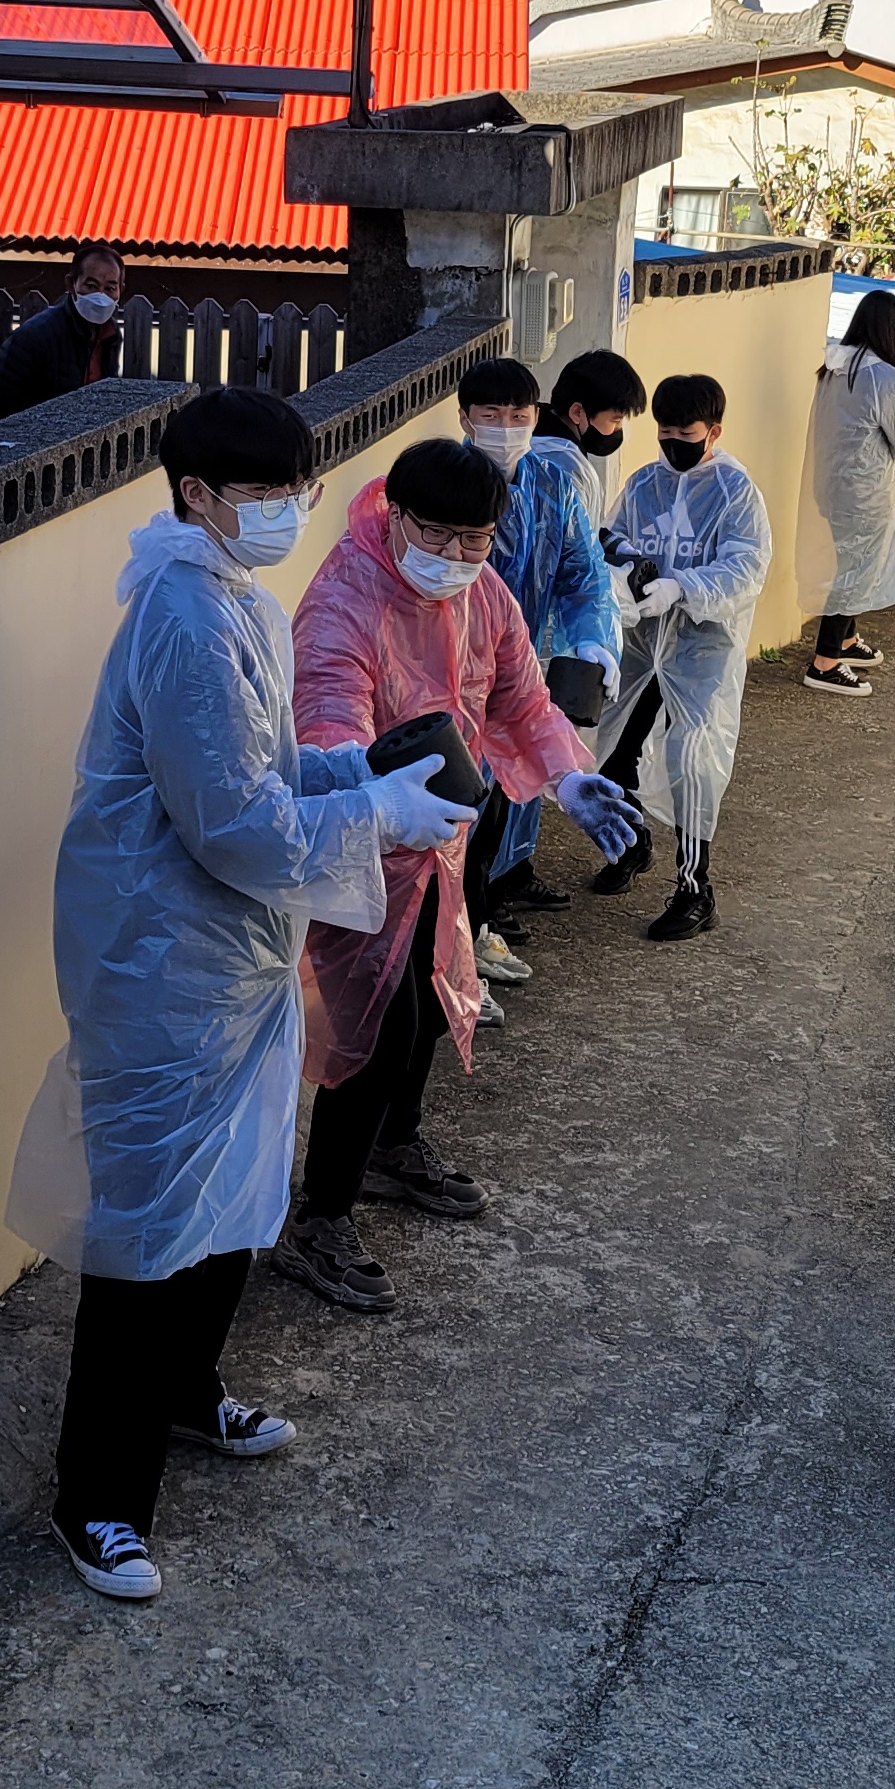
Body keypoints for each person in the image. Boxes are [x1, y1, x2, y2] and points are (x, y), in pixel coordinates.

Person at [3, 386, 478, 1605]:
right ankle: (96, 1497)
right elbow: (231, 824)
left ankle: (185, 1387)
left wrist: (356, 765)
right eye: (263, 494)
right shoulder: (182, 616)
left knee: (236, 1188)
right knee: (149, 1229)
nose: (286, 510)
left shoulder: (238, 599)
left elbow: (265, 766)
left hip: (231, 958)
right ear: (196, 495)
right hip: (161, 965)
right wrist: (373, 812)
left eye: (298, 491)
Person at [276, 439, 639, 1312]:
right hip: (364, 844)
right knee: (376, 1025)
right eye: (436, 534)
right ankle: (319, 1218)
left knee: (439, 997)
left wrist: (568, 777)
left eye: (475, 539)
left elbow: (520, 699)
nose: (454, 556)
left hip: (445, 838)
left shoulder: (484, 594)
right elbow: (326, 724)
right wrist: (376, 798)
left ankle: (393, 1147)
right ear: (395, 514)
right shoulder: (346, 598)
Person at [591, 373, 774, 939]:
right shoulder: (644, 483)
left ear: (713, 431)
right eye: (664, 432)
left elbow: (746, 566)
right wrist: (628, 564)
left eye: (685, 434)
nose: (673, 444)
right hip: (642, 643)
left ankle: (696, 888)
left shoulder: (734, 491)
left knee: (693, 760)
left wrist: (683, 587)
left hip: (701, 647)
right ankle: (630, 842)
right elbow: (611, 537)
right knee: (613, 747)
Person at [467, 350, 639, 931]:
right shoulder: (446, 484)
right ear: (465, 418)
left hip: (522, 672)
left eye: (518, 416)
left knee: (507, 797)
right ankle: (463, 933)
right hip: (451, 674)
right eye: (491, 415)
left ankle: (485, 915)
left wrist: (594, 639)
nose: (506, 428)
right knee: (457, 813)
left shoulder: (552, 486)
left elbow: (583, 573)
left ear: (536, 417)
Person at [803, 288, 895, 698]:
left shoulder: (834, 368)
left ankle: (846, 639)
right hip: (866, 493)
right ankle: (825, 661)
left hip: (832, 487)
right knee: (854, 572)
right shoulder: (887, 379)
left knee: (853, 563)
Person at [0, 245, 130, 422]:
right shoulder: (34, 337)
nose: (100, 297)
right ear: (71, 284)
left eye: (110, 289)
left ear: (121, 290)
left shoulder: (110, 336)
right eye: (91, 286)